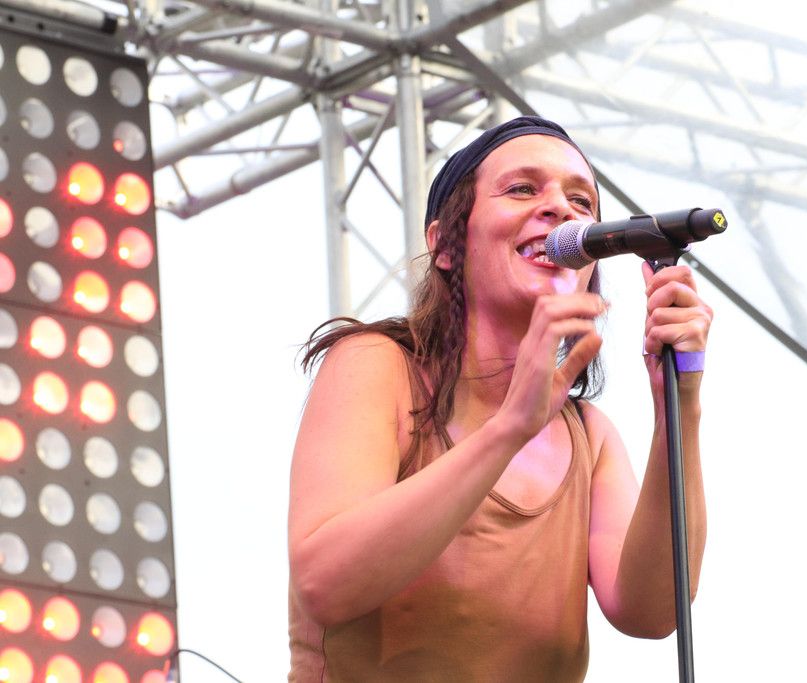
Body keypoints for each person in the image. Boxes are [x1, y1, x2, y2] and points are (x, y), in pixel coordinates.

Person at [287, 116, 710, 682]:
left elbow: (653, 612)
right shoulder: (375, 365)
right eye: (522, 189)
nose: (559, 208)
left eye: (581, 201)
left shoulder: (591, 437)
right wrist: (510, 428)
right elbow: (325, 585)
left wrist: (679, 404)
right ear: (445, 245)